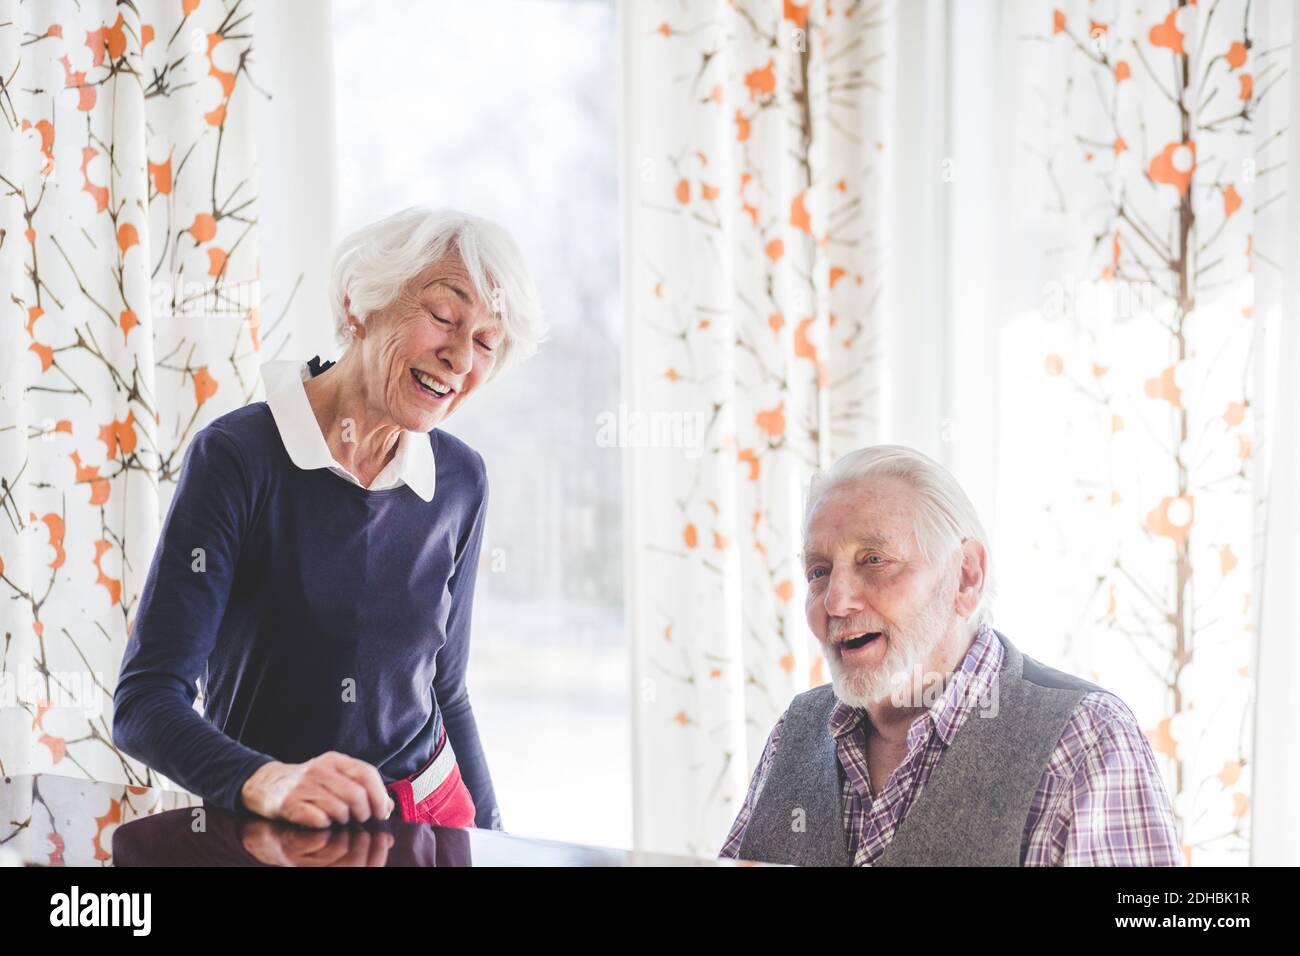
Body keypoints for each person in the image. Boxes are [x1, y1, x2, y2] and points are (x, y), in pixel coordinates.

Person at [113, 207, 544, 830]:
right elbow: (145, 700)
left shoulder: (459, 480)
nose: (458, 356)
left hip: (431, 813)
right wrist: (268, 782)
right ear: (358, 306)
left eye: (485, 342)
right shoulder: (239, 458)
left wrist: (493, 839)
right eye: (444, 316)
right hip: (278, 819)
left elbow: (447, 689)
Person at [721, 444, 1181, 866]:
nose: (836, 602)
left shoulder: (1086, 739)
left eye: (874, 560)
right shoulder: (796, 730)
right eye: (819, 571)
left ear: (966, 577)